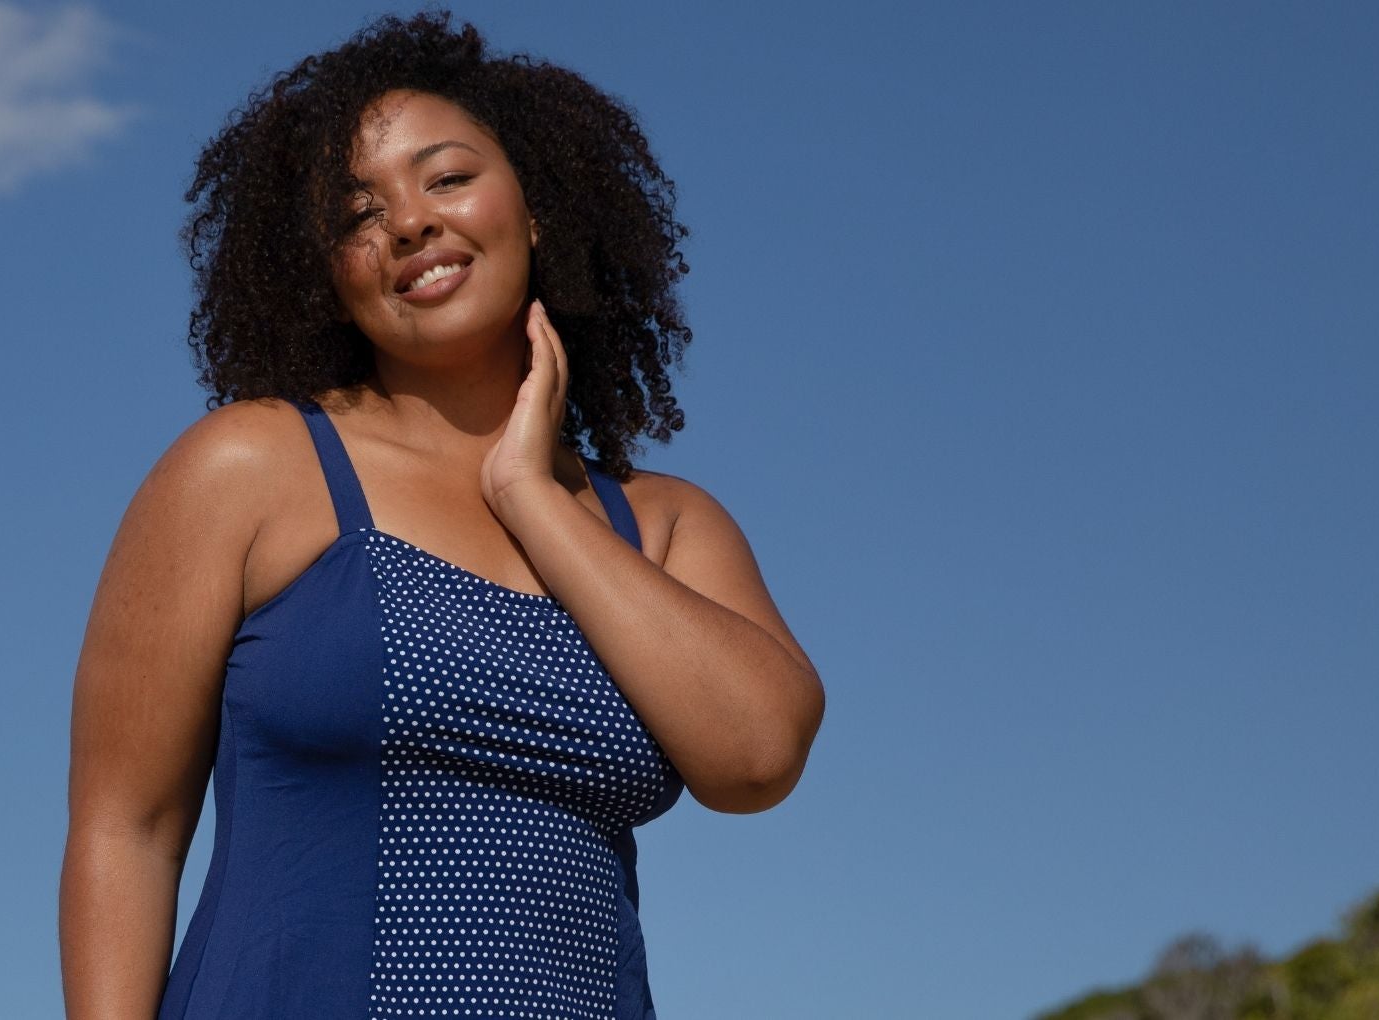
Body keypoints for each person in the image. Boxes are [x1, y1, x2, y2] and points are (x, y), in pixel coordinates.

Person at [58, 11, 824, 1019]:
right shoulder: (249, 468)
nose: (408, 222)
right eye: (354, 214)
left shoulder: (663, 525)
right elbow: (126, 829)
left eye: (447, 177)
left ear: (535, 207)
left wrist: (530, 501)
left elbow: (757, 759)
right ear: (324, 281)